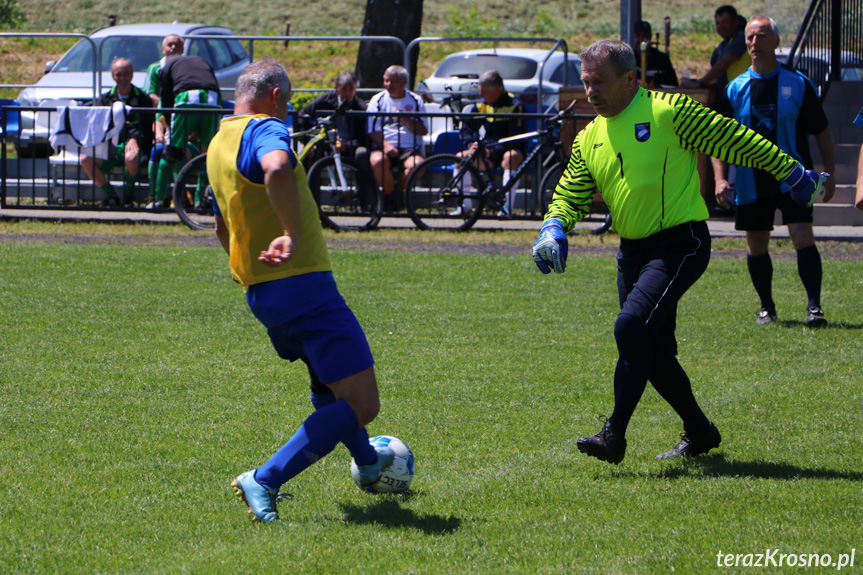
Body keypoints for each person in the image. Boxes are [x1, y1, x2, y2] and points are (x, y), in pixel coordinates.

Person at [531, 40, 828, 465]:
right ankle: (700, 431)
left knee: (631, 327)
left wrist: (791, 171)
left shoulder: (669, 111)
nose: (591, 92)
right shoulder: (589, 136)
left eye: (600, 82)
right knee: (650, 351)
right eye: (586, 83)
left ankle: (614, 434)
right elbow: (571, 192)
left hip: (680, 242)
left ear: (631, 79)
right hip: (631, 252)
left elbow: (734, 139)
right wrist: (554, 226)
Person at [207, 58, 392, 523]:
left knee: (328, 389)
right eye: (286, 104)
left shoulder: (218, 142)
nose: (286, 113)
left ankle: (369, 465)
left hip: (263, 294)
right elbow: (276, 168)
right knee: (363, 403)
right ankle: (264, 478)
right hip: (303, 287)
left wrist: (243, 265)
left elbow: (220, 223)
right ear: (274, 97)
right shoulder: (265, 129)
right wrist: (290, 231)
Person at [712, 16, 835, 327]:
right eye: (750, 37)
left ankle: (814, 307)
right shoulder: (734, 89)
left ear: (777, 42)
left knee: (802, 236)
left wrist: (829, 173)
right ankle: (767, 307)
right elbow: (715, 139)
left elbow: (822, 130)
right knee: (756, 244)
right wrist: (720, 178)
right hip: (752, 182)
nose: (754, 43)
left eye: (761, 36)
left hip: (795, 179)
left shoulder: (797, 83)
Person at [147, 53, 223, 210]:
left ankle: (160, 199)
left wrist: (168, 122)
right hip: (213, 100)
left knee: (172, 151)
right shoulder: (202, 60)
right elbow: (214, 85)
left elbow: (166, 98)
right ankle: (200, 200)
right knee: (207, 154)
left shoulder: (167, 67)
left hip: (187, 99)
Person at [80, 57, 153, 207]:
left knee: (132, 158)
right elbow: (99, 126)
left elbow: (146, 127)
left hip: (134, 145)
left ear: (132, 74)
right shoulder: (105, 99)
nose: (122, 78)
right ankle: (111, 196)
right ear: (113, 76)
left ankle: (128, 195)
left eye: (126, 73)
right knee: (85, 158)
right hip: (109, 146)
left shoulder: (143, 98)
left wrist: (134, 139)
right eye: (118, 74)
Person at [455, 69, 526, 217]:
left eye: (484, 91)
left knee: (511, 157)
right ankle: (465, 205)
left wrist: (491, 150)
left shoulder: (515, 105)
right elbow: (466, 128)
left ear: (497, 92)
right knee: (460, 158)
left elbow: (516, 138)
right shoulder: (481, 104)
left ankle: (507, 208)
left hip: (509, 150)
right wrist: (471, 145)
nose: (480, 95)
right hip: (488, 152)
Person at [367, 65, 428, 210]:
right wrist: (387, 146)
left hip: (410, 148)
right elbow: (372, 130)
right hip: (384, 147)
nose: (388, 85)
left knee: (417, 166)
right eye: (386, 81)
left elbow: (423, 130)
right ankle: (391, 197)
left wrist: (406, 119)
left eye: (392, 81)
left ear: (404, 81)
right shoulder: (377, 100)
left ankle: (398, 194)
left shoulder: (415, 100)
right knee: (378, 162)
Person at [141, 34, 185, 204]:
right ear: (163, 48)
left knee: (180, 152)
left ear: (183, 48)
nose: (173, 48)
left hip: (183, 117)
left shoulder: (186, 66)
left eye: (177, 45)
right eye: (170, 44)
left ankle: (180, 198)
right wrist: (167, 105)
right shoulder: (155, 68)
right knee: (158, 150)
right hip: (162, 118)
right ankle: (156, 195)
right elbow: (151, 95)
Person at [296, 71, 368, 165]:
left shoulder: (361, 108)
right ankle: (311, 179)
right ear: (336, 88)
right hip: (325, 145)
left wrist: (346, 146)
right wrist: (306, 140)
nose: (348, 93)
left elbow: (363, 138)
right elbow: (302, 115)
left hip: (350, 148)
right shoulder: (325, 100)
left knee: (362, 152)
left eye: (351, 89)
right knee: (310, 150)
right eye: (344, 89)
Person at [681, 5, 751, 101]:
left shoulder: (741, 37)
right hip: (731, 97)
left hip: (742, 96)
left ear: (735, 22)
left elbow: (724, 64)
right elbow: (724, 76)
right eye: (718, 23)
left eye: (725, 22)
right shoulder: (724, 45)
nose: (721, 27)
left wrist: (701, 83)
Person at [632, 20, 679, 87]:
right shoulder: (628, 59)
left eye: (645, 35)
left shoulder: (662, 59)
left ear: (650, 37)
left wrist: (656, 86)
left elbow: (674, 85)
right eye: (638, 35)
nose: (641, 39)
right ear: (633, 37)